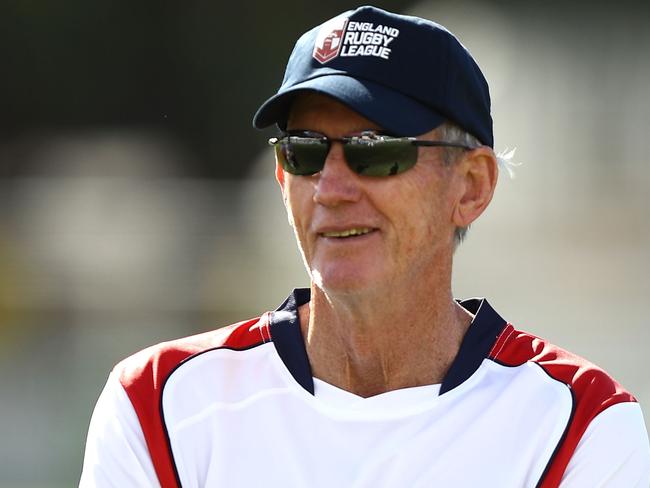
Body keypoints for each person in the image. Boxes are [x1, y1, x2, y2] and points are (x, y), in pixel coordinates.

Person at [79, 6, 650, 487]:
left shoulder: (580, 426)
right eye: (303, 151)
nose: (330, 188)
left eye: (374, 150)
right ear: (283, 178)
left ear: (471, 187)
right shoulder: (158, 407)